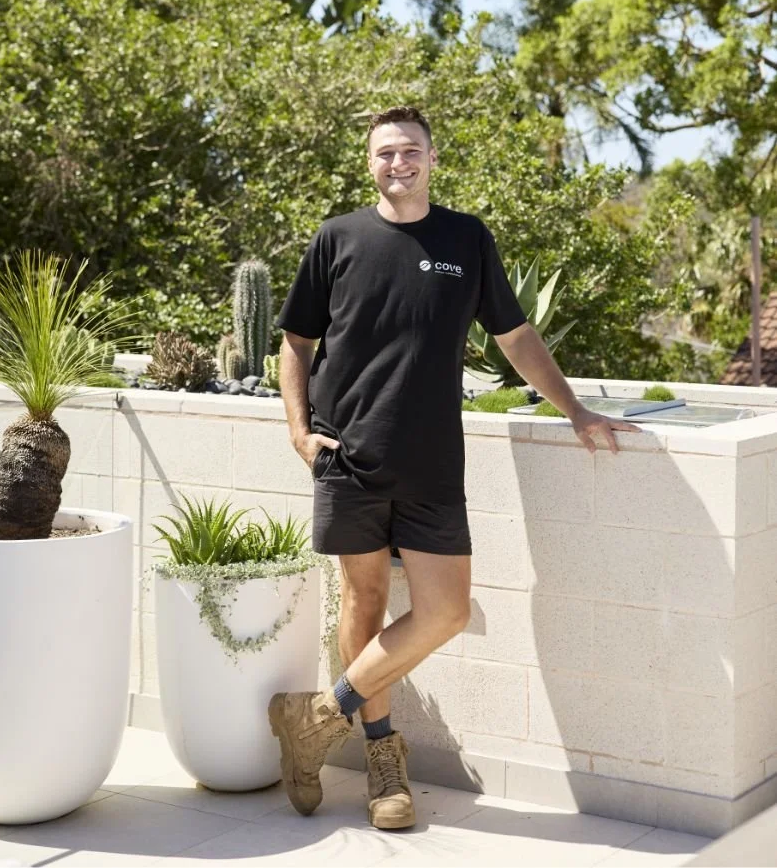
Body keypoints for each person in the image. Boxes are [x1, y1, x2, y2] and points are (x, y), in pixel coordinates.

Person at [268, 105, 639, 830]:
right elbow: (295, 342)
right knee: (365, 602)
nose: (398, 164)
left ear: (433, 159)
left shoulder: (465, 238)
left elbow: (515, 334)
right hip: (349, 454)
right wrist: (299, 430)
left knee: (446, 611)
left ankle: (313, 716)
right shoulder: (337, 238)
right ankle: (381, 757)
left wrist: (575, 411)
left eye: (410, 151)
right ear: (368, 163)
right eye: (384, 154)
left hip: (434, 461)